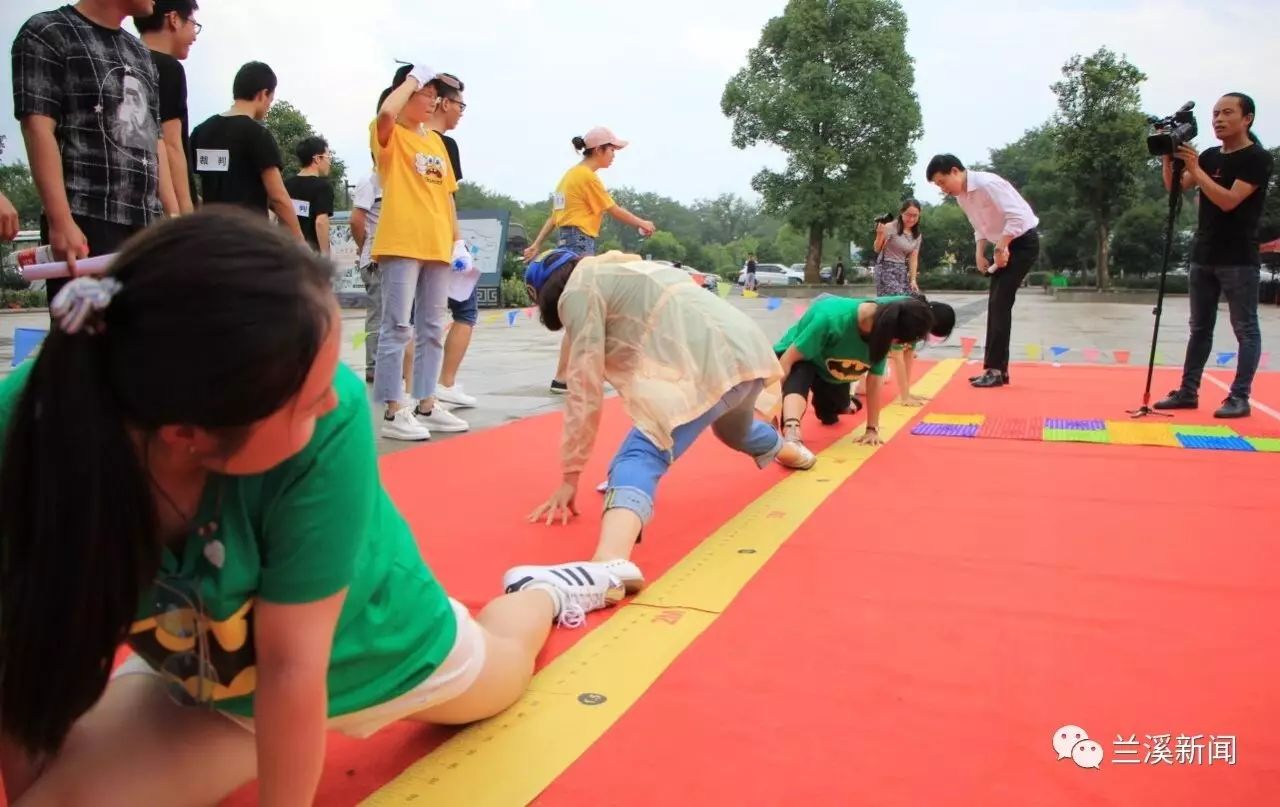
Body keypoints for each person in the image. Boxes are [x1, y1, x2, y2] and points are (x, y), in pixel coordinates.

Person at [0, 209, 620, 806]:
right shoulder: (31, 427)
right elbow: (22, 655)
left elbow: (295, 670)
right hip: (196, 658)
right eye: (308, 401)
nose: (337, 404)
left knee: (503, 668)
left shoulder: (327, 412)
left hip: (371, 643)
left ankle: (546, 590)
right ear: (187, 435)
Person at [505, 248, 816, 597]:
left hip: (708, 361)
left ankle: (609, 565)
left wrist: (570, 475)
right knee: (734, 430)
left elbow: (584, 387)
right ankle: (796, 454)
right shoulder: (621, 267)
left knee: (640, 454)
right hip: (746, 346)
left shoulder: (578, 290)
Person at [12, 0, 178, 306]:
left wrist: (171, 217)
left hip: (145, 225)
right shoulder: (48, 32)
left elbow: (153, 140)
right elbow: (38, 129)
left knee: (145, 339)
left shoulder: (140, 53)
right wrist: (61, 221)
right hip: (87, 219)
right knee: (87, 341)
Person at [1155, 93, 1273, 419]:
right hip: (1203, 254)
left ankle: (1239, 396)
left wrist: (1195, 167)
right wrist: (1170, 157)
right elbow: (1175, 187)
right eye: (1215, 113)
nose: (1218, 119)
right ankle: (1188, 391)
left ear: (1247, 118)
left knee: (1245, 328)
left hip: (1238, 257)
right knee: (1199, 328)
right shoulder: (1208, 155)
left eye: (1227, 113)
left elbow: (1228, 200)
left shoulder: (1257, 158)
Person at [370, 64, 470, 440]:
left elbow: (446, 197)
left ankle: (426, 401)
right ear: (406, 93)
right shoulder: (390, 133)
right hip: (401, 241)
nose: (432, 102)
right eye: (426, 95)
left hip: (436, 243)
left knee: (431, 327)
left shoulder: (435, 142)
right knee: (397, 326)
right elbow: (385, 112)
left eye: (434, 96)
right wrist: (412, 79)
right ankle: (394, 410)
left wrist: (457, 241)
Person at [522, 128, 656, 394]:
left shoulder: (569, 177)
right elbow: (613, 209)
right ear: (598, 150)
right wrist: (642, 223)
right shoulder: (586, 178)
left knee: (581, 313)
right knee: (583, 313)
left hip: (567, 242)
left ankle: (570, 375)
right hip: (579, 243)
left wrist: (537, 243)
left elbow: (554, 217)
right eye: (612, 150)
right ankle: (565, 376)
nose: (614, 156)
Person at [776, 297, 956, 450]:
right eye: (898, 343)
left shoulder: (884, 333)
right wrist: (771, 410)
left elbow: (874, 381)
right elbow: (787, 361)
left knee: (830, 414)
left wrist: (872, 429)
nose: (896, 347)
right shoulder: (831, 318)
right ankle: (792, 431)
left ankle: (847, 403)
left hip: (833, 375)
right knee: (800, 372)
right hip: (805, 358)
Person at [926, 154, 1039, 389]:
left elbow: (1018, 216)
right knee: (995, 304)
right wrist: (980, 252)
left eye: (942, 182)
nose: (943, 189)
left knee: (1000, 303)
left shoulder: (989, 183)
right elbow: (979, 226)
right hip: (1003, 245)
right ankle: (996, 369)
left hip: (1022, 242)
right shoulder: (962, 198)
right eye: (938, 186)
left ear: (955, 171)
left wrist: (1002, 245)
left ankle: (995, 369)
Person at [189, 61, 302, 239]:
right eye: (270, 100)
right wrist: (300, 244)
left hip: (208, 238)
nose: (268, 106)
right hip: (249, 240)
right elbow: (278, 198)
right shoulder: (257, 135)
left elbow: (185, 184)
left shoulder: (200, 132)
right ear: (264, 94)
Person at [429, 73, 479, 410]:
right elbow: (447, 198)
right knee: (465, 310)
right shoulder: (441, 145)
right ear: (444, 103)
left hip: (423, 238)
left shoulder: (412, 138)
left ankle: (418, 390)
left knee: (417, 317)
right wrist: (457, 240)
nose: (462, 112)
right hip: (438, 239)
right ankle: (442, 384)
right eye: (460, 104)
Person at [134, 0, 200, 214]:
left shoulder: (123, 60)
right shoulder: (169, 68)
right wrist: (185, 208)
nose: (195, 36)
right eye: (193, 24)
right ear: (173, 19)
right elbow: (171, 144)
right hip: (163, 205)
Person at [351, 170, 383, 382]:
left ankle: (392, 365)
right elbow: (356, 221)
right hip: (375, 261)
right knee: (378, 315)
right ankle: (374, 367)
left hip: (398, 258)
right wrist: (364, 247)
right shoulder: (370, 181)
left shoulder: (400, 179)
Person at [285, 136, 335, 258]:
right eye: (328, 157)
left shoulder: (285, 185)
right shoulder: (323, 187)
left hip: (286, 254)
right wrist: (325, 257)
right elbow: (321, 222)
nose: (329, 161)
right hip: (311, 257)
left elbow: (273, 216)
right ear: (317, 159)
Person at [874, 200, 922, 297]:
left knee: (914, 299)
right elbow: (877, 249)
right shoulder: (890, 227)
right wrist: (879, 234)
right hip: (886, 269)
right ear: (901, 212)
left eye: (915, 215)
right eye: (908, 215)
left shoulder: (917, 235)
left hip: (901, 270)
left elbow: (913, 259)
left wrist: (913, 280)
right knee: (897, 299)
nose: (911, 219)